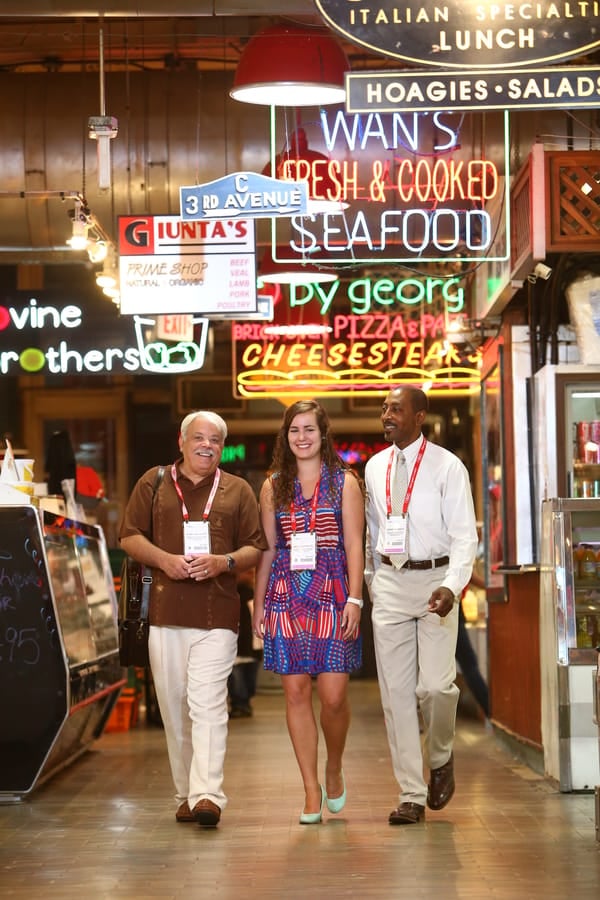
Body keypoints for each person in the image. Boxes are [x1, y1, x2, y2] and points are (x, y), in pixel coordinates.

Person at [119, 410, 266, 829]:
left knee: (208, 704)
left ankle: (208, 795)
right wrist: (165, 560)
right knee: (174, 705)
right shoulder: (154, 482)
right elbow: (129, 536)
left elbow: (256, 547)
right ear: (181, 442)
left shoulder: (237, 490)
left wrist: (224, 561)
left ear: (222, 447)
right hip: (164, 613)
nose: (207, 445)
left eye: (215, 440)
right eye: (199, 438)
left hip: (218, 614)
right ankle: (185, 793)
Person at [364, 386, 478, 825]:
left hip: (437, 582)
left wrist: (452, 585)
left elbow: (465, 535)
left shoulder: (447, 467)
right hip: (391, 582)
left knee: (434, 687)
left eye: (396, 409)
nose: (386, 415)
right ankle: (411, 793)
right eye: (384, 409)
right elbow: (373, 533)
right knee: (395, 696)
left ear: (420, 417)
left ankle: (441, 755)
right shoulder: (375, 467)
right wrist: (376, 582)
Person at [253, 399, 365, 824]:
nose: (302, 437)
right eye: (294, 430)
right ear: (286, 437)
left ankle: (333, 767)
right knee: (296, 692)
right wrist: (259, 605)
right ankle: (310, 788)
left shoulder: (344, 483)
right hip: (286, 593)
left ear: (323, 434)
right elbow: (268, 550)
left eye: (309, 430)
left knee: (334, 696)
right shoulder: (272, 486)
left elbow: (355, 546)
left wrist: (355, 598)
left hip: (334, 591)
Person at [228, 570, 261, 718]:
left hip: (245, 644)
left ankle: (242, 703)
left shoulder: (249, 596)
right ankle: (241, 703)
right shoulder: (247, 597)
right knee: (241, 677)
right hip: (247, 645)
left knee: (242, 677)